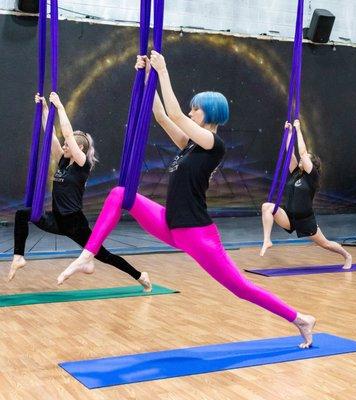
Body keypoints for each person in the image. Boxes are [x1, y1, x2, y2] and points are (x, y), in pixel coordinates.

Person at [59, 52, 316, 348]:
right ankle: (87, 256)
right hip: (171, 224)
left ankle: (300, 319)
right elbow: (161, 115)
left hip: (197, 234)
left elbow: (176, 115)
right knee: (120, 194)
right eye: (192, 109)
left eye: (196, 110)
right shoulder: (189, 146)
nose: (191, 113)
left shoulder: (213, 144)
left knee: (240, 288)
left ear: (209, 113)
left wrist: (164, 71)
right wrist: (147, 78)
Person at [9, 92, 151, 291]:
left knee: (105, 256)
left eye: (69, 144)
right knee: (22, 214)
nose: (65, 145)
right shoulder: (63, 160)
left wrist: (60, 107)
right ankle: (18, 256)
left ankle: (139, 275)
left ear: (80, 147)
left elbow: (67, 134)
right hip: (57, 220)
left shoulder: (82, 164)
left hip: (75, 224)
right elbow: (52, 137)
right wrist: (45, 110)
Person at [260, 120, 352, 269]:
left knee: (325, 244)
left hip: (305, 220)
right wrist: (289, 133)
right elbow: (290, 154)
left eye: (307, 158)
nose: (303, 158)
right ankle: (266, 240)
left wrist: (298, 129)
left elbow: (302, 153)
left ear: (312, 164)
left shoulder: (312, 177)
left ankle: (347, 255)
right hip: (289, 217)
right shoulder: (296, 173)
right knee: (267, 207)